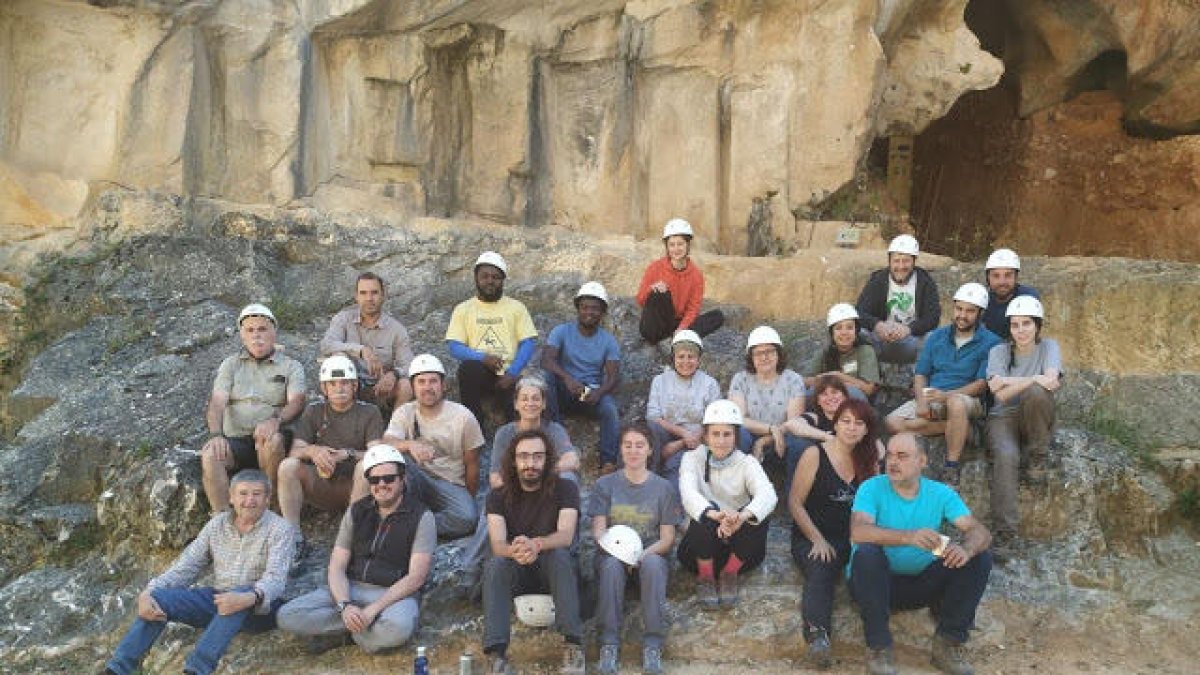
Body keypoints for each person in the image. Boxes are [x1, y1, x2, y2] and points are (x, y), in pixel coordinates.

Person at [104, 469, 293, 675]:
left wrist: (249, 597)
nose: (249, 500)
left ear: (267, 498)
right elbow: (187, 566)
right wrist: (148, 592)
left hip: (261, 607)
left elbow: (276, 579)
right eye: (243, 493)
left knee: (236, 597)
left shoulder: (280, 528)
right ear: (231, 497)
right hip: (220, 599)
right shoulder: (216, 525)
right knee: (158, 598)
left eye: (257, 494)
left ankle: (196, 670)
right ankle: (117, 670)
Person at [848, 433, 993, 675]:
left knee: (980, 557)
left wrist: (965, 550)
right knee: (866, 553)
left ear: (922, 461)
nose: (892, 462)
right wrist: (908, 537)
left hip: (921, 584)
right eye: (890, 455)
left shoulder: (940, 493)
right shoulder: (871, 487)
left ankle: (947, 645)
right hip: (874, 585)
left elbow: (980, 532)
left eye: (902, 456)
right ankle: (879, 650)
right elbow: (858, 531)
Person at [277, 445, 434, 653]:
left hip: (392, 594)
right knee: (288, 615)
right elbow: (336, 566)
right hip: (351, 587)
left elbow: (416, 577)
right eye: (374, 480)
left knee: (399, 628)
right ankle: (359, 630)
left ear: (402, 479)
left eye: (389, 478)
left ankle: (345, 631)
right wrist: (345, 605)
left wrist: (372, 610)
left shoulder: (422, 517)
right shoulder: (357, 511)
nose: (381, 485)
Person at [457, 376, 581, 601]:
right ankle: (470, 571)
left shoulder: (554, 430)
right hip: (514, 493)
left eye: (536, 399)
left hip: (546, 495)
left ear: (544, 404)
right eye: (524, 398)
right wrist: (521, 481)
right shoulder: (505, 433)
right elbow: (495, 477)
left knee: (569, 479)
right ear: (515, 403)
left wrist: (540, 476)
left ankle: (569, 553)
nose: (530, 403)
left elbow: (572, 460)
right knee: (494, 503)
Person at [482, 429, 585, 675]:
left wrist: (535, 544)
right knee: (495, 564)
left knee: (560, 554)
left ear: (548, 459)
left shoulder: (566, 489)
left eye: (538, 456)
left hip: (551, 571)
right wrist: (517, 551)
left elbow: (565, 535)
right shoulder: (497, 496)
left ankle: (573, 647)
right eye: (524, 456)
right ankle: (496, 655)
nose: (530, 463)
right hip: (517, 569)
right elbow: (498, 544)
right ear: (514, 460)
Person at [788, 399, 881, 669]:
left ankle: (879, 645)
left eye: (859, 423)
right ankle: (818, 636)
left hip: (853, 536)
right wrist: (817, 539)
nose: (851, 428)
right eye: (845, 421)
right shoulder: (814, 454)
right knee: (821, 565)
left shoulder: (870, 460)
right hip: (813, 534)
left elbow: (874, 505)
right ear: (835, 424)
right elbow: (794, 502)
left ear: (866, 430)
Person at [885, 283, 1001, 486]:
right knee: (891, 422)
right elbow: (921, 374)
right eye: (959, 308)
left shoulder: (992, 342)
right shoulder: (936, 336)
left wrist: (945, 396)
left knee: (956, 403)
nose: (962, 315)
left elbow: (981, 384)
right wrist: (921, 402)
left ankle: (951, 467)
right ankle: (958, 428)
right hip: (932, 397)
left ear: (980, 313)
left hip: (968, 399)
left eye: (970, 311)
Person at [590, 423, 681, 675]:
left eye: (639, 445)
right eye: (627, 445)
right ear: (620, 449)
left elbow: (667, 538)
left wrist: (640, 556)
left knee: (652, 565)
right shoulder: (604, 485)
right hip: (612, 554)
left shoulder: (664, 488)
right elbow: (598, 531)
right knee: (610, 565)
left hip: (650, 556)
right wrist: (619, 553)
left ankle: (652, 645)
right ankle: (608, 644)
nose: (633, 451)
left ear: (650, 450)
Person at [200, 303, 305, 514]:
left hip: (268, 437)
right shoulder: (230, 365)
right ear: (242, 335)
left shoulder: (291, 366)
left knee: (273, 440)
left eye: (262, 329)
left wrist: (276, 421)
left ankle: (271, 508)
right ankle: (221, 519)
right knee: (211, 453)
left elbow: (297, 401)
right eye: (250, 330)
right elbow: (217, 402)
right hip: (236, 439)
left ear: (274, 332)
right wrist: (216, 434)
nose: (257, 335)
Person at [366, 354, 484, 539]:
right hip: (416, 477)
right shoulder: (405, 412)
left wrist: (467, 498)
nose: (427, 387)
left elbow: (472, 464)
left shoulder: (463, 417)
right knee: (396, 460)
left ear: (443, 385)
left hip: (450, 482)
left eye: (433, 381)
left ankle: (413, 525)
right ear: (413, 387)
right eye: (421, 382)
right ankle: (399, 521)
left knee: (467, 518)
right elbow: (386, 443)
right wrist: (409, 445)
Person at [677, 400, 777, 609]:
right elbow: (688, 493)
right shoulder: (691, 459)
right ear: (705, 435)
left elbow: (768, 494)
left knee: (759, 513)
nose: (721, 441)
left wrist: (740, 517)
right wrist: (716, 515)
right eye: (715, 434)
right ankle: (705, 577)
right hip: (699, 549)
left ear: (736, 436)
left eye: (727, 434)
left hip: (740, 549)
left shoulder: (747, 462)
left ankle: (729, 574)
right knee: (704, 510)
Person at [277, 355, 384, 541]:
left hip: (357, 485)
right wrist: (313, 451)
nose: (339, 388)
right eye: (332, 384)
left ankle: (353, 533)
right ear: (324, 388)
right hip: (323, 483)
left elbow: (378, 455)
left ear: (355, 386)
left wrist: (347, 454)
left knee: (365, 465)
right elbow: (295, 450)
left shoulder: (370, 412)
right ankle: (291, 536)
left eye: (345, 383)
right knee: (288, 466)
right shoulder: (314, 411)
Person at [986, 296, 1060, 554]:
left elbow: (1050, 383)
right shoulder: (998, 351)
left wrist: (1011, 381)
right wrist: (1033, 378)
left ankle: (1037, 456)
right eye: (1015, 325)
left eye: (1026, 323)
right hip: (1003, 416)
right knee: (1005, 457)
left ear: (1037, 325)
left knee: (1037, 393)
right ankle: (1004, 533)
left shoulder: (1049, 347)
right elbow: (1000, 395)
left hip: (1035, 413)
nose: (1021, 330)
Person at [445, 251, 538, 425]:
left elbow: (528, 342)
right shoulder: (463, 309)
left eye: (496, 277)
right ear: (476, 278)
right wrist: (483, 358)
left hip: (510, 373)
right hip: (481, 371)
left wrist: (512, 373)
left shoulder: (516, 307)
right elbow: (454, 346)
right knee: (467, 370)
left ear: (503, 280)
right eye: (485, 276)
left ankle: (517, 441)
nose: (490, 281)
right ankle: (475, 430)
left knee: (519, 406)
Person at [541, 281, 622, 473]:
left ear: (602, 312)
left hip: (590, 393)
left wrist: (599, 392)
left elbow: (613, 376)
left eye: (595, 308)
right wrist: (567, 378)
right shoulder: (561, 331)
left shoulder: (608, 341)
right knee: (545, 379)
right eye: (585, 307)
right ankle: (559, 440)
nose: (589, 312)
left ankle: (608, 462)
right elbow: (547, 360)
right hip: (563, 391)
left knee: (610, 409)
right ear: (578, 308)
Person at [728, 325, 807, 498]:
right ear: (751, 357)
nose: (764, 357)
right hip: (751, 436)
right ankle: (735, 497)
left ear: (779, 354)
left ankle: (795, 501)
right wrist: (771, 428)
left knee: (800, 443)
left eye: (770, 351)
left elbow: (794, 423)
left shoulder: (793, 380)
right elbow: (738, 418)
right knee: (737, 433)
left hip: (782, 438)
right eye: (758, 353)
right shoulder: (740, 379)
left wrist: (763, 441)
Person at [320, 271, 415, 413]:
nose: (369, 298)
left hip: (380, 389)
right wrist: (361, 350)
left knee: (406, 385)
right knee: (338, 357)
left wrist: (394, 374)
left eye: (374, 293)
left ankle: (395, 430)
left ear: (383, 295)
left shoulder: (397, 329)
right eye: (363, 293)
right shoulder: (343, 319)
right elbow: (326, 344)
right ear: (356, 296)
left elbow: (409, 364)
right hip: (348, 386)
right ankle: (340, 423)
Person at [646, 330, 721, 488]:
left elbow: (714, 419)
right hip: (665, 437)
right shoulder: (660, 381)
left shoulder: (709, 384)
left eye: (691, 357)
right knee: (650, 429)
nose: (686, 361)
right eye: (681, 356)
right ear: (673, 358)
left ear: (699, 359)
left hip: (698, 440)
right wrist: (683, 434)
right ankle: (646, 479)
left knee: (675, 468)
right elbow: (653, 417)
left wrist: (681, 443)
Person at [636, 217, 725, 344]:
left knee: (717, 316)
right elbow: (640, 300)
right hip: (654, 327)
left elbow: (692, 308)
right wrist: (652, 288)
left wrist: (682, 328)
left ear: (688, 245)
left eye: (680, 244)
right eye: (672, 245)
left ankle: (679, 336)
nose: (676, 249)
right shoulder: (655, 268)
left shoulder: (696, 275)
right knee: (660, 293)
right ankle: (681, 336)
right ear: (666, 246)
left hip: (676, 324)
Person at [855, 234, 941, 364]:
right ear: (889, 261)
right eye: (896, 261)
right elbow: (860, 311)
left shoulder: (925, 282)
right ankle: (868, 377)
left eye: (906, 261)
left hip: (912, 340)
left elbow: (933, 317)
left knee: (935, 337)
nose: (900, 266)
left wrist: (909, 329)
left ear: (914, 261)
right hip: (881, 339)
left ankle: (919, 380)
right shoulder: (878, 280)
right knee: (856, 332)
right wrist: (878, 325)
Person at [803, 303, 881, 402]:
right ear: (832, 333)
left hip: (855, 407)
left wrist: (838, 376)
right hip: (827, 403)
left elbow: (868, 389)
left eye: (849, 327)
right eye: (838, 328)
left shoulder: (865, 351)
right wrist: (826, 382)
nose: (844, 332)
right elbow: (804, 381)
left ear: (856, 331)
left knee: (853, 393)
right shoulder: (824, 352)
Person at [981, 248, 1040, 340]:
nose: (1002, 282)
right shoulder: (981, 301)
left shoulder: (1027, 297)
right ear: (988, 278)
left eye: (1008, 275)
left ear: (1016, 277)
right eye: (996, 276)